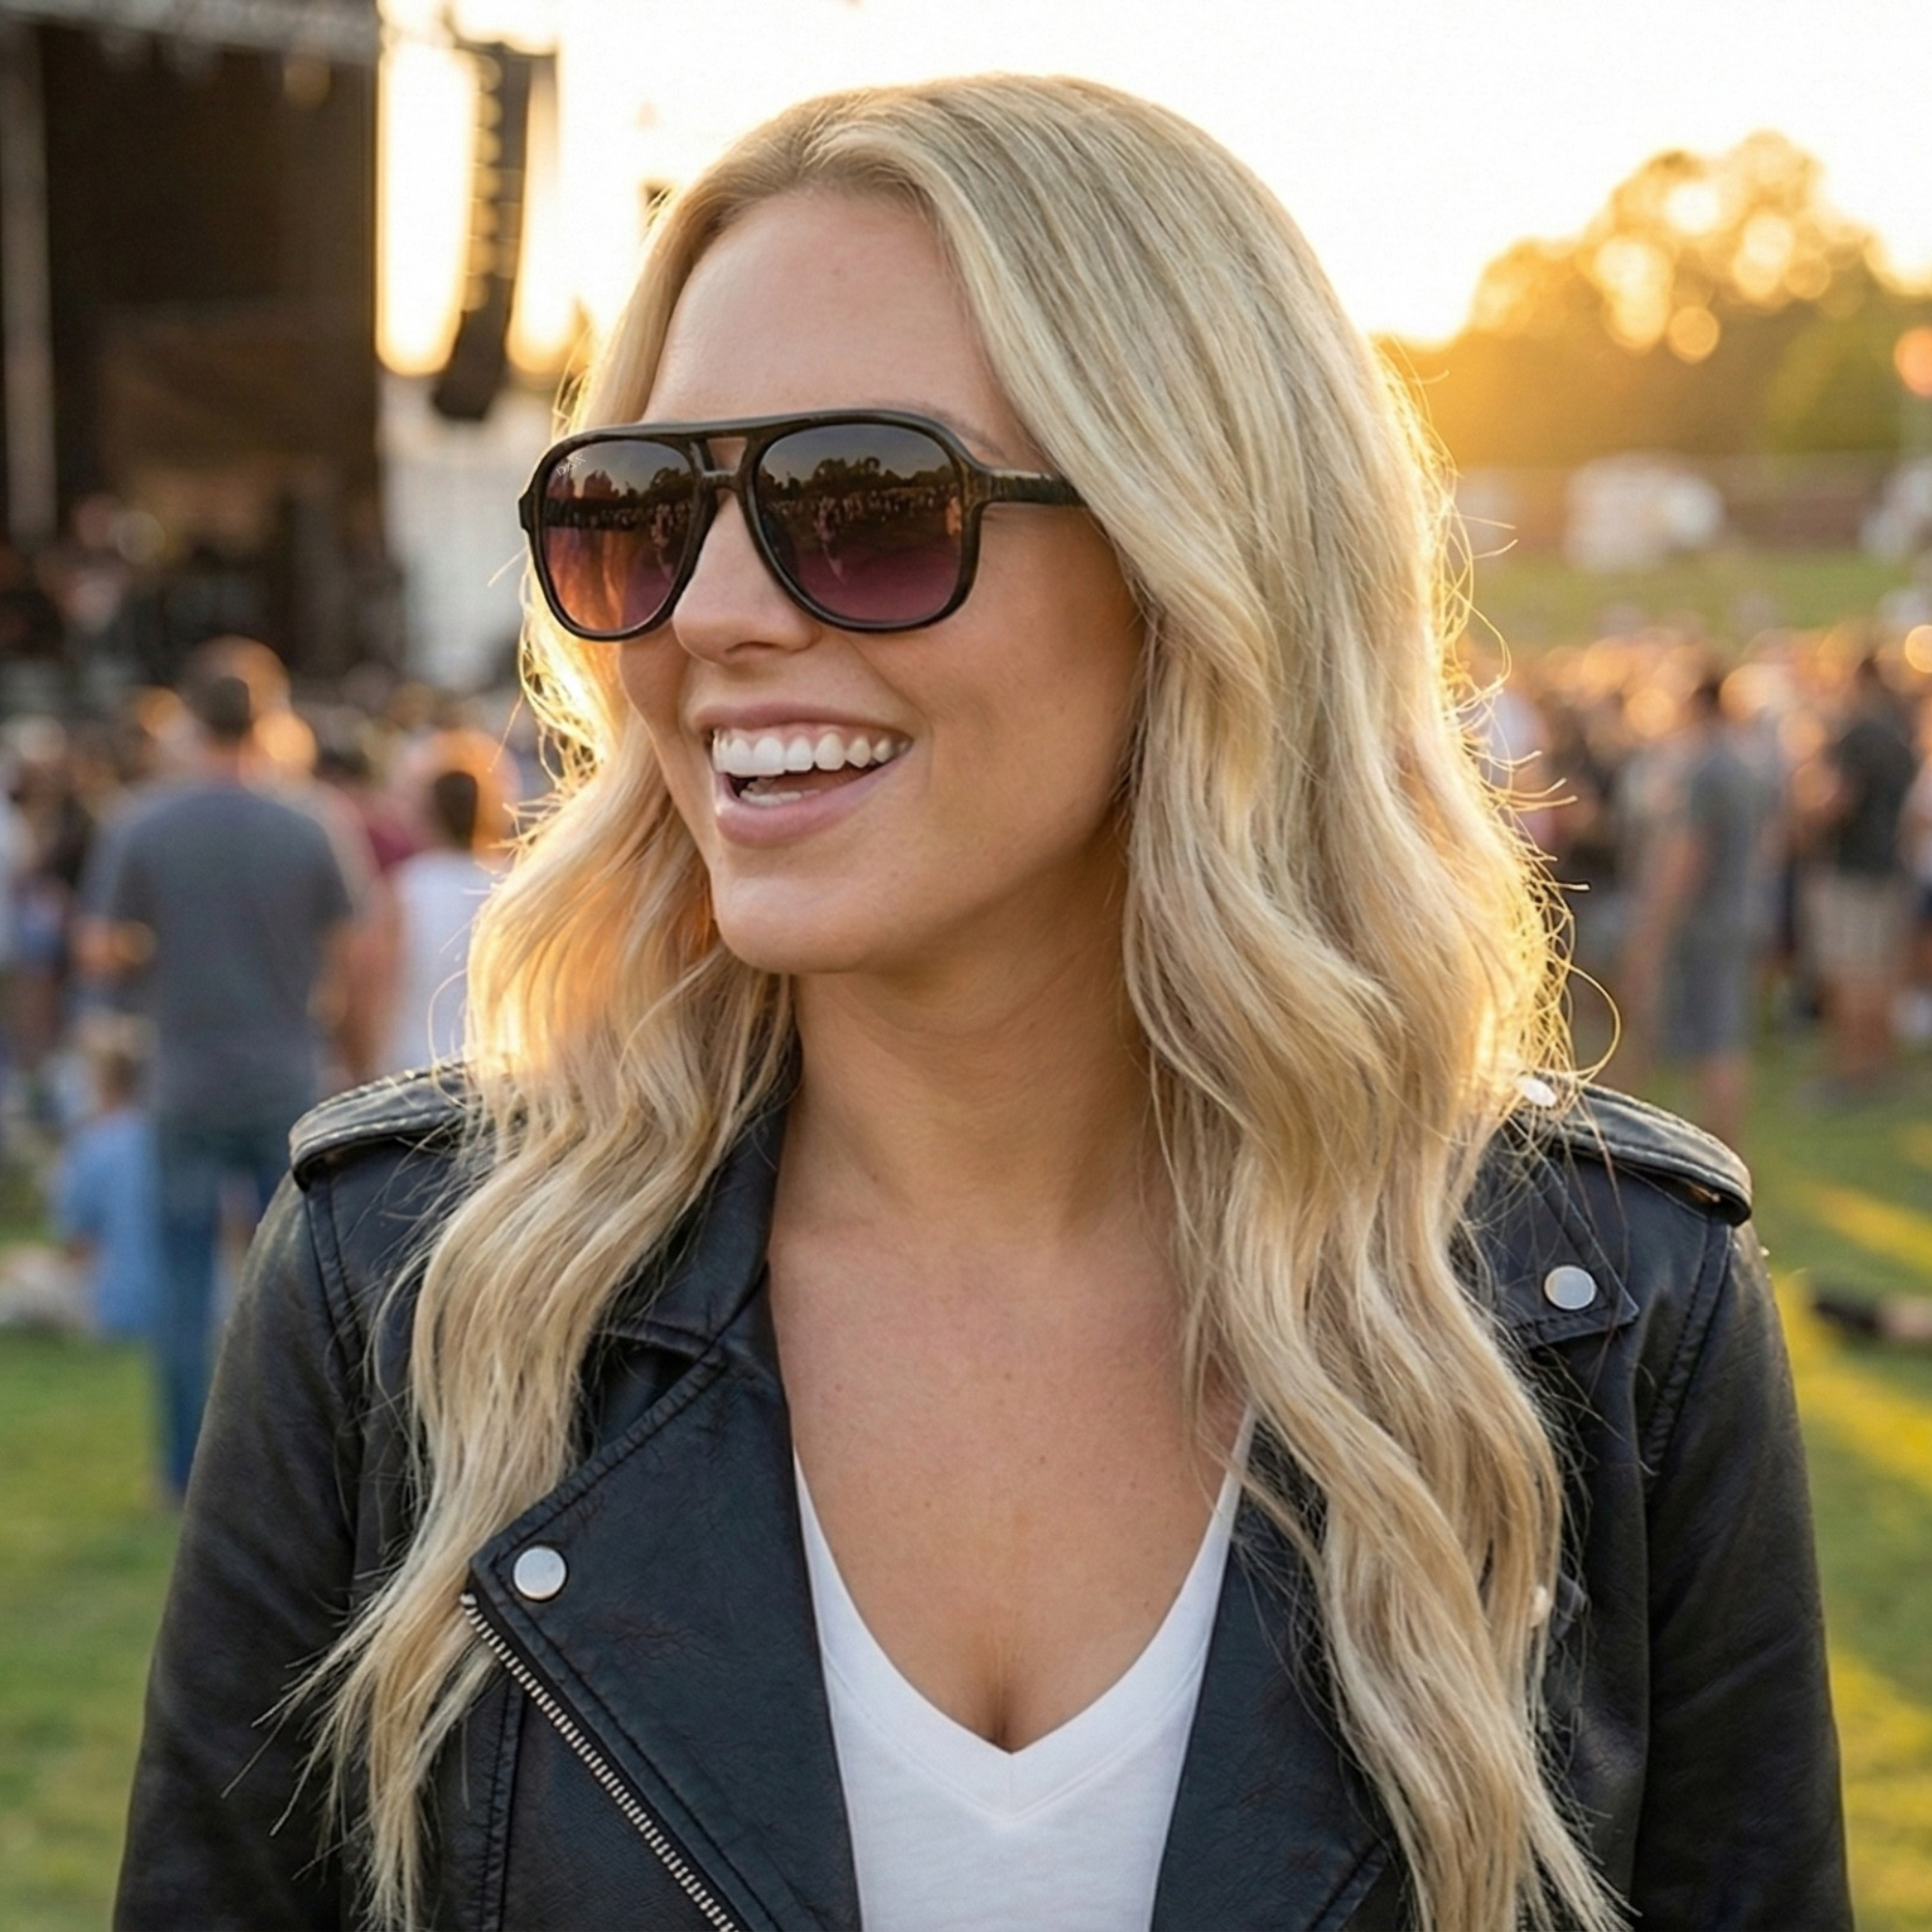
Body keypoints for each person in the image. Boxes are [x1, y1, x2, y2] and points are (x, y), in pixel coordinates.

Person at [117, 77, 1847, 1931]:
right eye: (642, 508)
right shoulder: (408, 1296)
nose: (707, 612)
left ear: (1201, 565)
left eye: (860, 503)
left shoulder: (1607, 1319)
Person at [77, 662, 359, 1499]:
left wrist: (153, 960)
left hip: (185, 1076)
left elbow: (99, 948)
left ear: (191, 723)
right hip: (286, 1072)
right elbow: (351, 944)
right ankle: (295, 1475)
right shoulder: (307, 821)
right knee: (296, 1291)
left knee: (183, 1281)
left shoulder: (144, 821)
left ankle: (181, 1469)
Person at [1619, 671, 1776, 1150]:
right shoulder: (1746, 761)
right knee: (1723, 1033)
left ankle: (1719, 1150)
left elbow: (1687, 854)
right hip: (1738, 911)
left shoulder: (1707, 769)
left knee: (1713, 1041)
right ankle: (1721, 1145)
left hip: (1706, 922)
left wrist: (1652, 928)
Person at [372, 746, 509, 1072]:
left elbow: (378, 982)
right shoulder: (511, 884)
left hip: (413, 1062)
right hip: (493, 1062)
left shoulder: (407, 886)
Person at [52, 1015, 160, 1342]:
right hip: (190, 1305)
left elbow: (76, 1247)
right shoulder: (175, 1142)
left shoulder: (92, 1144)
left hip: (110, 1307)